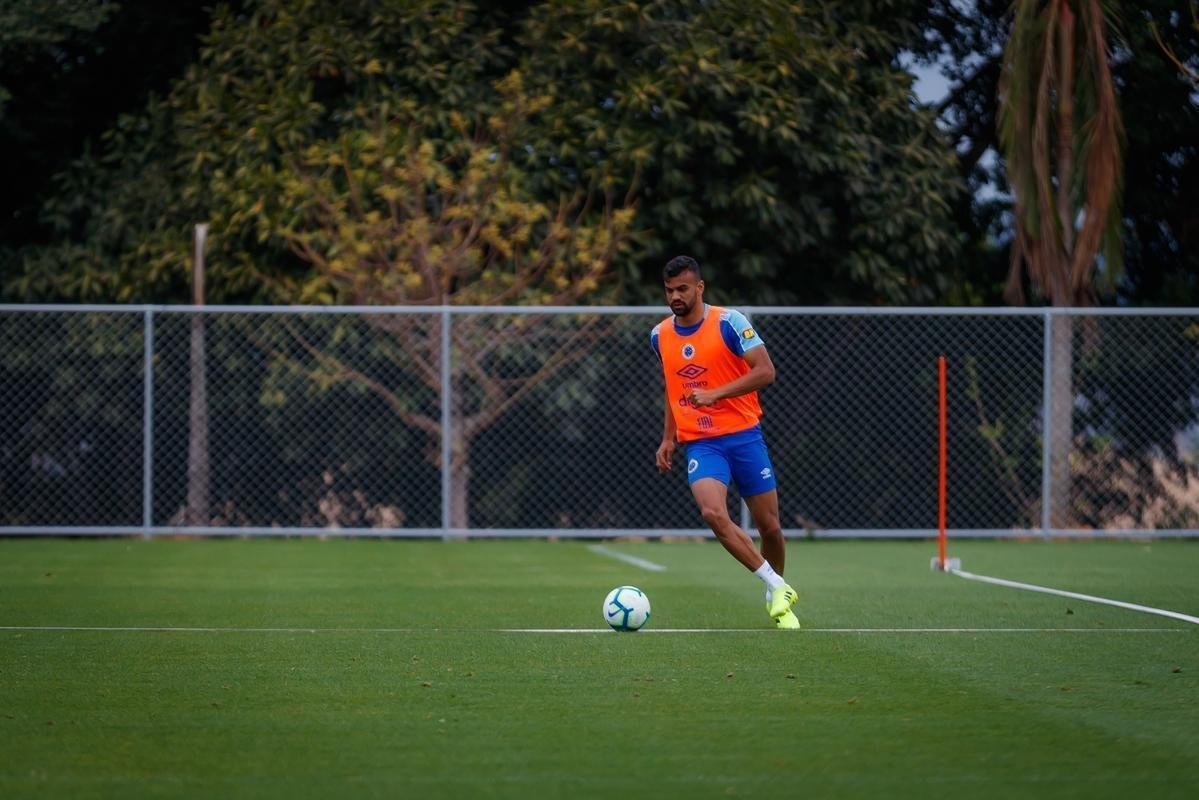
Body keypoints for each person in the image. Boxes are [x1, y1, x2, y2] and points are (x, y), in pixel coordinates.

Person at [652, 255, 800, 629]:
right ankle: (777, 586)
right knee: (713, 513)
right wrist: (668, 438)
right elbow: (672, 386)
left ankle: (778, 600)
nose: (675, 297)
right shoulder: (659, 335)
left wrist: (716, 394)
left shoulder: (730, 322)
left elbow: (766, 371)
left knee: (770, 528)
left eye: (682, 289)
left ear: (699, 288)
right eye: (669, 290)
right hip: (702, 444)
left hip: (745, 437)